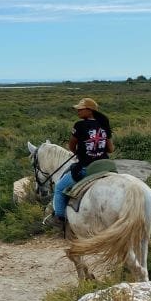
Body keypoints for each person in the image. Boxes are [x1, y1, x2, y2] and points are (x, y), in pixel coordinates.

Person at [48, 97, 114, 231]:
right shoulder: (104, 125)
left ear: (90, 111)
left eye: (80, 109)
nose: (78, 111)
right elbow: (111, 149)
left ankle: (59, 219)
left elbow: (72, 146)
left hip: (86, 167)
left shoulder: (79, 125)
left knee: (60, 188)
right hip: (105, 165)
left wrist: (81, 152)